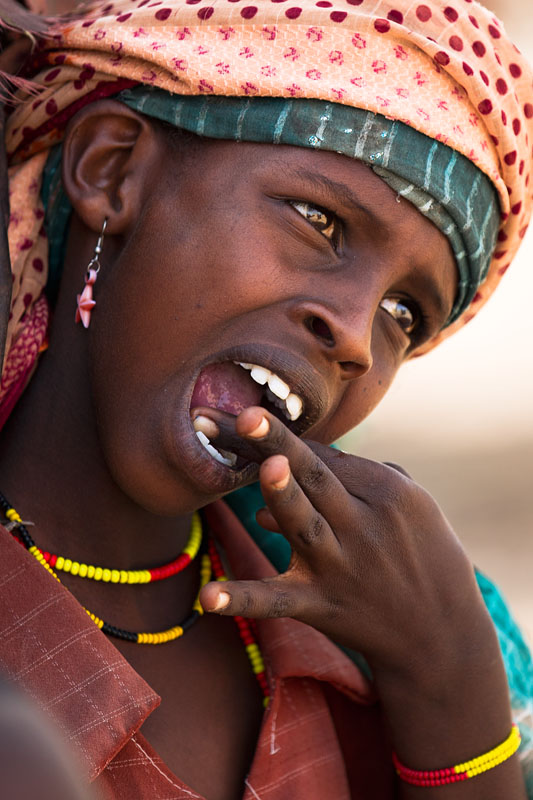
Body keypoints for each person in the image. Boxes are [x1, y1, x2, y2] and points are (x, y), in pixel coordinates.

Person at [0, 0, 532, 797]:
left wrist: (447, 681)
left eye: (403, 314)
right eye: (318, 221)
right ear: (111, 171)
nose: (356, 337)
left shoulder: (363, 657)